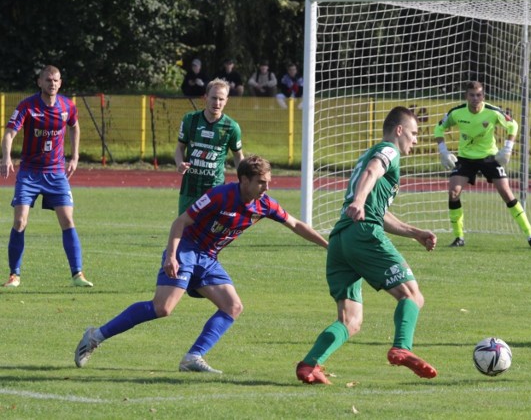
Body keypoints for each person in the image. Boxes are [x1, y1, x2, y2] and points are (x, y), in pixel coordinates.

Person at [74, 155, 328, 373]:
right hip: (186, 249)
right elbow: (180, 222)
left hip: (207, 259)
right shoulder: (220, 195)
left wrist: (328, 246)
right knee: (163, 308)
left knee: (233, 306)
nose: (266, 187)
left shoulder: (264, 205)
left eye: (268, 182)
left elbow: (296, 224)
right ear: (244, 180)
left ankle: (192, 358)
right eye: (261, 182)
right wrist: (172, 256)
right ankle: (95, 336)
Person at [296, 106, 438, 385]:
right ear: (399, 130)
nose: (416, 139)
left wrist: (415, 233)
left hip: (341, 239)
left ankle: (309, 365)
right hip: (362, 232)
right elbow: (373, 172)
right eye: (414, 133)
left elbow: (379, 211)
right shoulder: (389, 150)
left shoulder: (370, 152)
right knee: (412, 295)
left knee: (351, 320)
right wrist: (359, 201)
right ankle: (402, 347)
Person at [0, 65, 92, 288]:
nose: (53, 84)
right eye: (48, 80)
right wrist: (6, 157)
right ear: (40, 82)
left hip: (56, 173)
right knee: (20, 221)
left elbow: (75, 127)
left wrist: (75, 156)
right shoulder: (27, 106)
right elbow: (9, 133)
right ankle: (14, 275)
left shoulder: (67, 105)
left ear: (60, 83)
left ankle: (77, 275)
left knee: (68, 220)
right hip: (30, 173)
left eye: (56, 80)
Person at [434, 81, 531, 249]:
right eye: (472, 95)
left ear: (483, 96)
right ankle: (459, 237)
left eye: (479, 95)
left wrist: (507, 149)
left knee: (506, 193)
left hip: (489, 158)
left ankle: (530, 236)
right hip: (465, 158)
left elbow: (513, 125)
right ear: (466, 96)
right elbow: (438, 129)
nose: (475, 98)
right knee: (453, 192)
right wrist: (443, 151)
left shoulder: (493, 112)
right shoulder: (456, 113)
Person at [175, 78, 244, 214]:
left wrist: (244, 179)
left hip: (215, 190)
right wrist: (179, 163)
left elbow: (238, 155)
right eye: (213, 98)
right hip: (190, 189)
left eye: (221, 99)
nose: (217, 103)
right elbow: (180, 147)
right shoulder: (190, 120)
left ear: (226, 100)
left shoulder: (232, 127)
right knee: (184, 230)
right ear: (205, 97)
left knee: (212, 232)